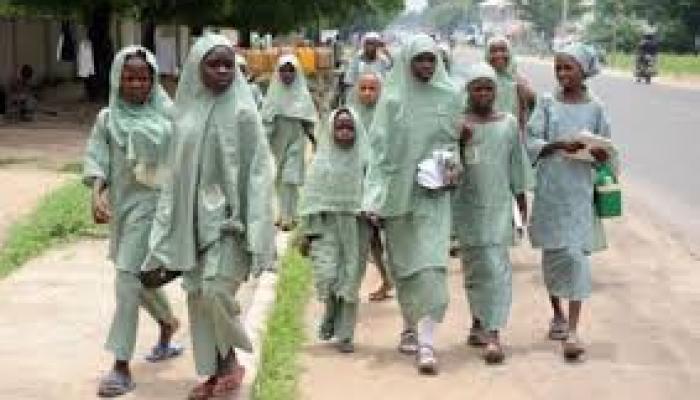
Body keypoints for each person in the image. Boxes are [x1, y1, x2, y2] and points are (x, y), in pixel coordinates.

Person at [143, 34, 275, 399]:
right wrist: (165, 235)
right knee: (199, 298)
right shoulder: (184, 114)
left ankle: (231, 360)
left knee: (217, 291)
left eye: (227, 64)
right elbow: (174, 178)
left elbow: (259, 175)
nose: (221, 71)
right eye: (213, 64)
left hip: (231, 225)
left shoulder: (245, 114)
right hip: (193, 224)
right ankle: (216, 372)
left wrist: (259, 232)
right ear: (196, 68)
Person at [83, 46, 182, 398]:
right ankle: (168, 325)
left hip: (158, 210)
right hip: (124, 211)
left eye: (143, 77)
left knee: (126, 280)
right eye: (129, 77)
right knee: (137, 278)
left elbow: (187, 159)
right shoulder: (108, 119)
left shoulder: (171, 115)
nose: (137, 84)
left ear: (153, 79)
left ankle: (120, 365)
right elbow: (98, 159)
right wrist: (97, 193)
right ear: (117, 79)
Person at [363, 34, 462, 375]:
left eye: (430, 60)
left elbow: (455, 147)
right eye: (419, 60)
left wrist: (450, 170)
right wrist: (373, 197)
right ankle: (410, 326)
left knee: (433, 269)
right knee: (404, 269)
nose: (425, 66)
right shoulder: (391, 101)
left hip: (434, 198)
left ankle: (428, 343)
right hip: (397, 196)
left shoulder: (450, 97)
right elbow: (376, 153)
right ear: (407, 61)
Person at [526, 42, 617, 362]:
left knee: (576, 256)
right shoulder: (547, 103)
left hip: (579, 192)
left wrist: (600, 156)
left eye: (569, 67)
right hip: (551, 190)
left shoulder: (597, 109)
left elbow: (608, 153)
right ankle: (558, 314)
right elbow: (531, 140)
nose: (563, 73)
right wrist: (555, 144)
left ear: (584, 71)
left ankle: (574, 330)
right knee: (554, 256)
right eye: (559, 67)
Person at [454, 63, 529, 365]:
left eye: (488, 88)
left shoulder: (508, 123)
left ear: (496, 92)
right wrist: (458, 140)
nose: (483, 93)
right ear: (468, 92)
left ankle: (494, 334)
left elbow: (517, 165)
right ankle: (478, 322)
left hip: (498, 206)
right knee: (474, 268)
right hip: (466, 207)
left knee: (496, 267)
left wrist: (521, 200)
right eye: (477, 88)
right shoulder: (457, 124)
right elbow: (446, 164)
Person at [300, 108, 369, 354]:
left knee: (349, 281)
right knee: (328, 277)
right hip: (326, 227)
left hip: (356, 228)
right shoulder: (320, 161)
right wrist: (306, 234)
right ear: (330, 131)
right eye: (339, 127)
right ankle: (331, 314)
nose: (344, 132)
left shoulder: (366, 159)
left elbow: (374, 192)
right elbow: (310, 198)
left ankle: (345, 334)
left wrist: (371, 211)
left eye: (349, 128)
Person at [347, 72, 393, 302]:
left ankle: (394, 278)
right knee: (370, 237)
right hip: (358, 184)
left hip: (384, 183)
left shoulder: (389, 115)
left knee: (389, 236)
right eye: (363, 88)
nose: (367, 93)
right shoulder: (351, 115)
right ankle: (385, 279)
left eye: (372, 88)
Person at [262, 54, 319, 231]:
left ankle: (289, 217)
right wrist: (263, 140)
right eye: (283, 70)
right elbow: (267, 119)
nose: (287, 74)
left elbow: (308, 120)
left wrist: (314, 139)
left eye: (291, 70)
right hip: (277, 141)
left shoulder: (302, 94)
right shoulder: (273, 95)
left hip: (296, 139)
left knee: (290, 177)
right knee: (279, 178)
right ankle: (283, 213)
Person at [484, 36, 536, 133]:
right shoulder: (481, 79)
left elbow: (533, 109)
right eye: (493, 51)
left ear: (510, 53)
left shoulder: (520, 81)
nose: (499, 54)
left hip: (513, 136)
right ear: (487, 55)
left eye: (503, 50)